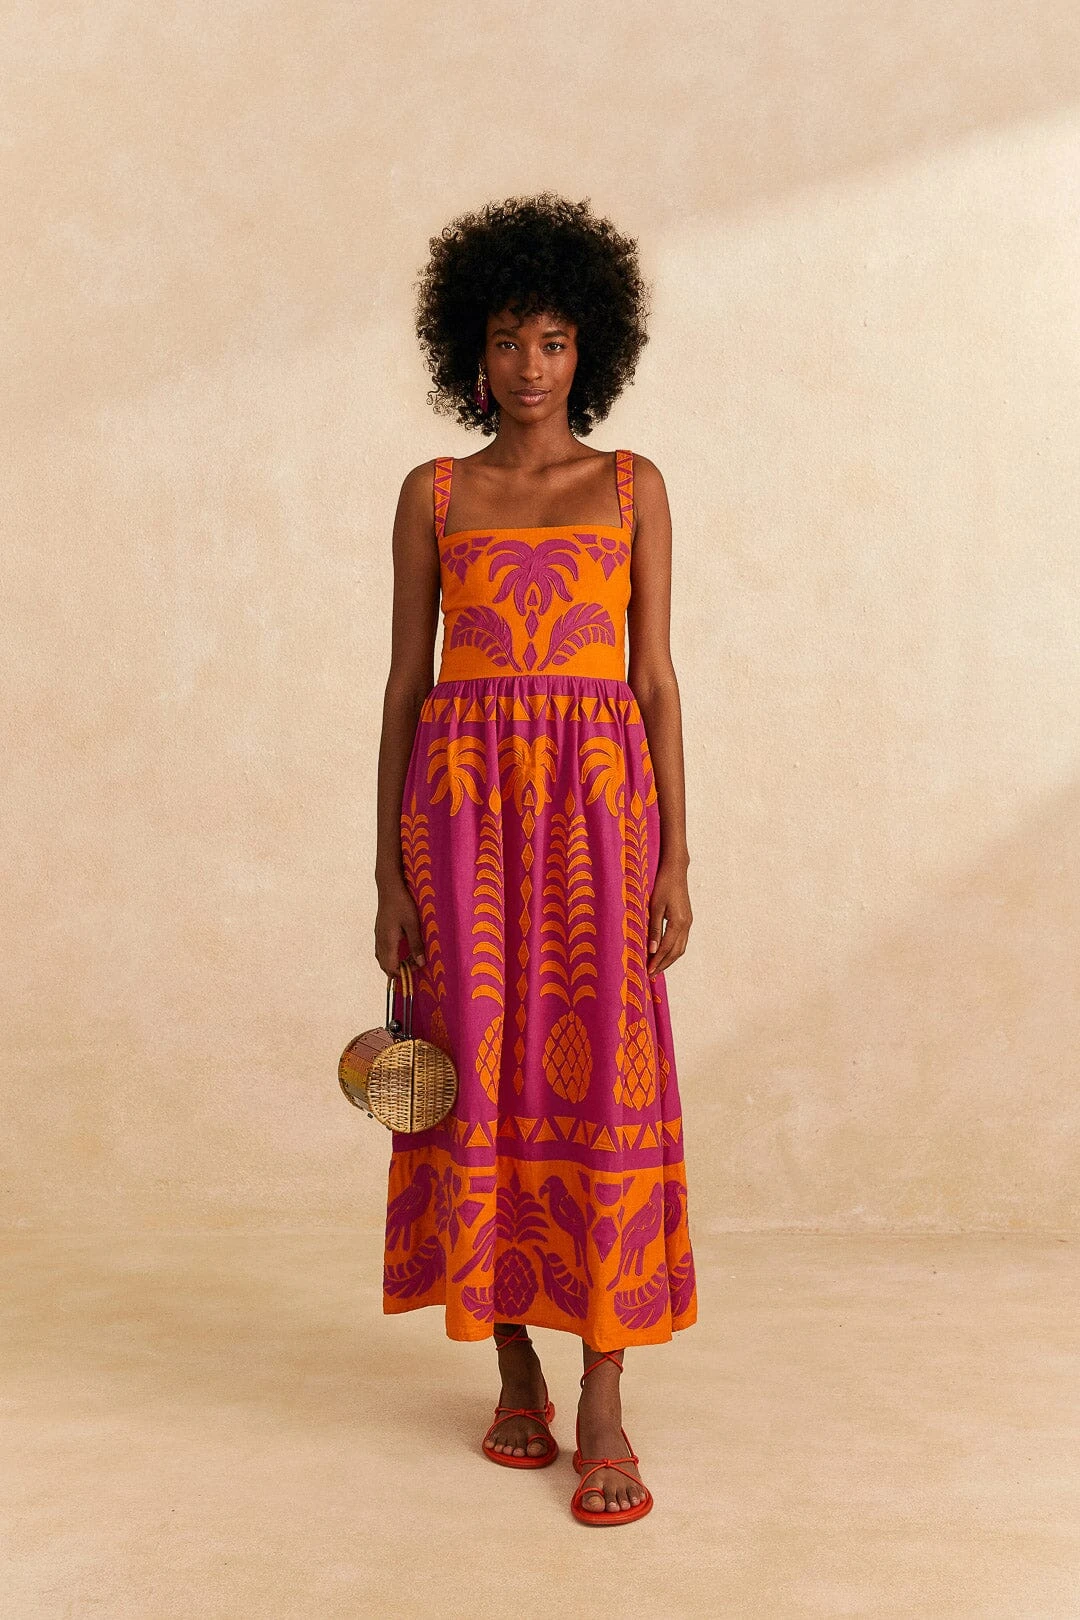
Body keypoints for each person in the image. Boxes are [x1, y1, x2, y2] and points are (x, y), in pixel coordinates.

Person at [373, 192, 697, 1525]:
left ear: (588, 350)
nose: (528, 366)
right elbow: (406, 687)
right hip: (459, 820)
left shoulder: (632, 488)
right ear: (471, 347)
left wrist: (676, 858)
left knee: (603, 1071)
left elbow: (655, 681)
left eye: (553, 341)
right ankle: (513, 1366)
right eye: (507, 339)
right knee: (478, 1075)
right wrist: (387, 876)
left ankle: (604, 1390)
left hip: (599, 821)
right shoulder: (435, 494)